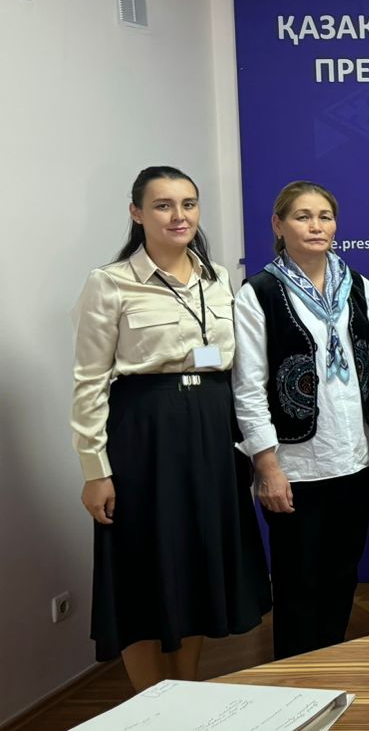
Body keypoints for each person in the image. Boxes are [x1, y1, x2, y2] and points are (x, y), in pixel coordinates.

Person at [71, 166, 270, 690]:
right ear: (137, 213)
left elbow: (233, 364)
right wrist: (95, 470)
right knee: (140, 564)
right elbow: (89, 383)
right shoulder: (109, 282)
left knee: (197, 558)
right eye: (163, 205)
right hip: (144, 435)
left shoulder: (218, 278)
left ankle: (186, 690)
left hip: (212, 430)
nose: (179, 216)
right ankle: (150, 702)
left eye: (188, 204)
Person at [234, 181, 369, 659]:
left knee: (343, 573)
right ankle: (296, 679)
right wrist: (267, 467)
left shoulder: (358, 285)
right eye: (302, 216)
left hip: (354, 456)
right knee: (299, 581)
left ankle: (331, 665)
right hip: (295, 464)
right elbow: (248, 386)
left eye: (325, 216)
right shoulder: (259, 293)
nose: (316, 226)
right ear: (278, 226)